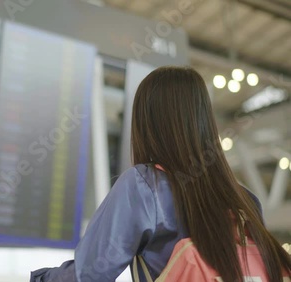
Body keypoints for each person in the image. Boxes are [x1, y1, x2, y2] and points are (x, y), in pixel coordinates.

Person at [30, 66, 291, 282]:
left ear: (147, 123)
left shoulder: (144, 187)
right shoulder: (246, 200)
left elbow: (89, 275)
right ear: (204, 120)